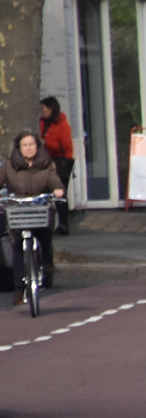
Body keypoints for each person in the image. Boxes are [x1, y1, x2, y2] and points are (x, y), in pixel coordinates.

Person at [4, 130, 65, 294]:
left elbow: (54, 180)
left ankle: (47, 267)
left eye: (32, 144)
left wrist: (58, 189)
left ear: (37, 146)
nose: (29, 148)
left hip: (40, 207)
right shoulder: (9, 165)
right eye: (25, 145)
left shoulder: (47, 163)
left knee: (45, 236)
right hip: (18, 208)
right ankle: (18, 287)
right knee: (16, 245)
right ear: (19, 148)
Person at [37, 97, 75, 231]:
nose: (42, 111)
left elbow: (65, 145)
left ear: (51, 109)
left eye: (44, 109)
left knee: (59, 191)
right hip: (47, 160)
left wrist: (46, 143)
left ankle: (63, 223)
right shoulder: (43, 122)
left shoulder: (61, 124)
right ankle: (47, 221)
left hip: (61, 161)